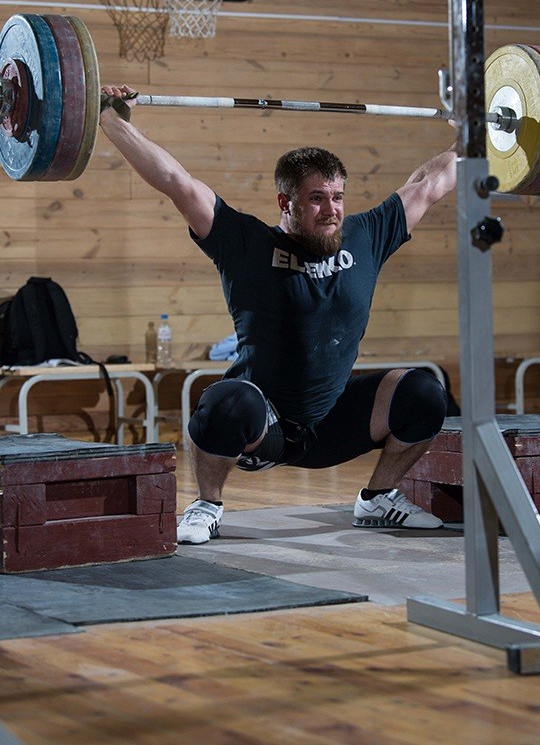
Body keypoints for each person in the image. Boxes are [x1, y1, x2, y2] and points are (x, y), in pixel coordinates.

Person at [99, 84, 458, 543]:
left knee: (425, 392)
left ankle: (377, 498)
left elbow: (430, 184)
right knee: (225, 403)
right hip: (263, 427)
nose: (331, 210)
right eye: (316, 198)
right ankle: (207, 504)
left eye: (337, 197)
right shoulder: (246, 243)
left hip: (332, 424)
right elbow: (176, 182)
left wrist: (468, 134)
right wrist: (112, 120)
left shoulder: (366, 235)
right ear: (285, 203)